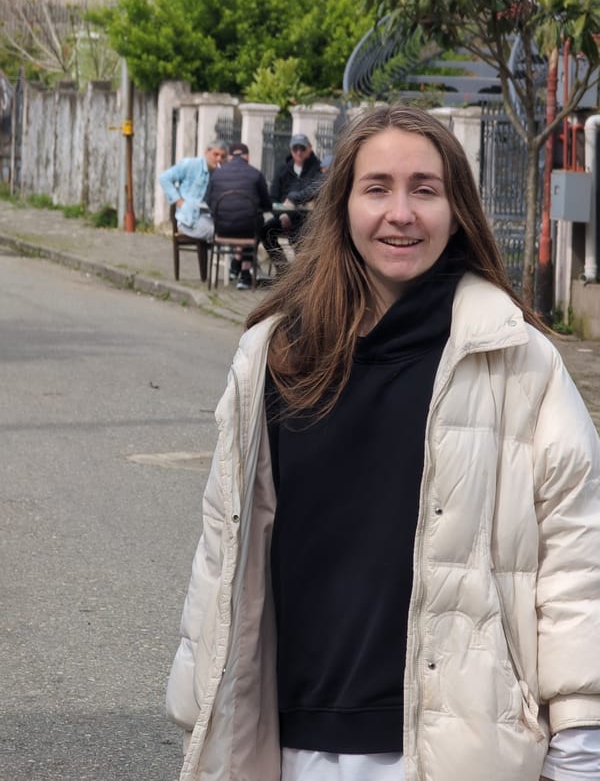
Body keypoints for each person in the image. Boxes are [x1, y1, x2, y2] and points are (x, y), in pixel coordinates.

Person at [165, 104, 600, 781]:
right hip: (289, 742)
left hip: (458, 744)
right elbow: (225, 545)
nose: (402, 212)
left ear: (457, 209)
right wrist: (203, 698)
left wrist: (578, 744)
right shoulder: (273, 355)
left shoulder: (516, 360)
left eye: (425, 189)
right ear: (341, 207)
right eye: (377, 188)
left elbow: (576, 560)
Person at [205, 142, 272, 290]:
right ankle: (245, 273)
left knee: (245, 220)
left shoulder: (217, 174)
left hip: (222, 229)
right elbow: (267, 205)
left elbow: (208, 200)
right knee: (254, 222)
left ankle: (236, 265)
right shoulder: (255, 174)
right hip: (248, 230)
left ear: (229, 157)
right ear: (247, 157)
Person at [262, 133, 322, 272]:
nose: (299, 152)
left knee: (302, 233)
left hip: (306, 217)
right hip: (284, 216)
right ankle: (283, 270)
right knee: (265, 231)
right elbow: (273, 197)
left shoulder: (317, 169)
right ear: (291, 150)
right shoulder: (282, 169)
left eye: (302, 148)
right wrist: (282, 215)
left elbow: (314, 190)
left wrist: (294, 199)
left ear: (309, 148)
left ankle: (301, 273)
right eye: (295, 149)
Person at [159, 141, 227, 240]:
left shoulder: (220, 173)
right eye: (216, 154)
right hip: (189, 219)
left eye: (222, 157)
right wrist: (179, 202)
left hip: (208, 217)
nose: (219, 159)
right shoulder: (191, 165)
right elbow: (164, 178)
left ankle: (234, 255)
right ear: (207, 152)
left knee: (231, 230)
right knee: (218, 232)